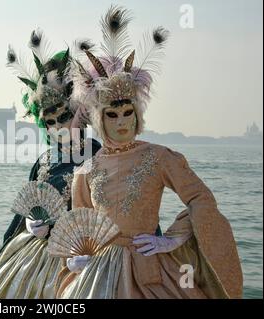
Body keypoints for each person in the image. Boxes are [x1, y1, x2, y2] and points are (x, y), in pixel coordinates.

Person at [57, 6, 243, 299]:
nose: (121, 122)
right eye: (112, 115)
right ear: (100, 119)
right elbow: (80, 221)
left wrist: (172, 239)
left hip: (150, 268)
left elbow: (201, 199)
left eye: (127, 113)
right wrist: (77, 255)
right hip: (98, 272)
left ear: (137, 115)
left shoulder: (160, 157)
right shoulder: (88, 168)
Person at [0, 29, 100, 299]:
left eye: (64, 116)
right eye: (50, 121)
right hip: (33, 255)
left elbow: (111, 214)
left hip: (80, 259)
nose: (58, 127)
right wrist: (27, 226)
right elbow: (22, 215)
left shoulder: (98, 156)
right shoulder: (43, 160)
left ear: (81, 112)